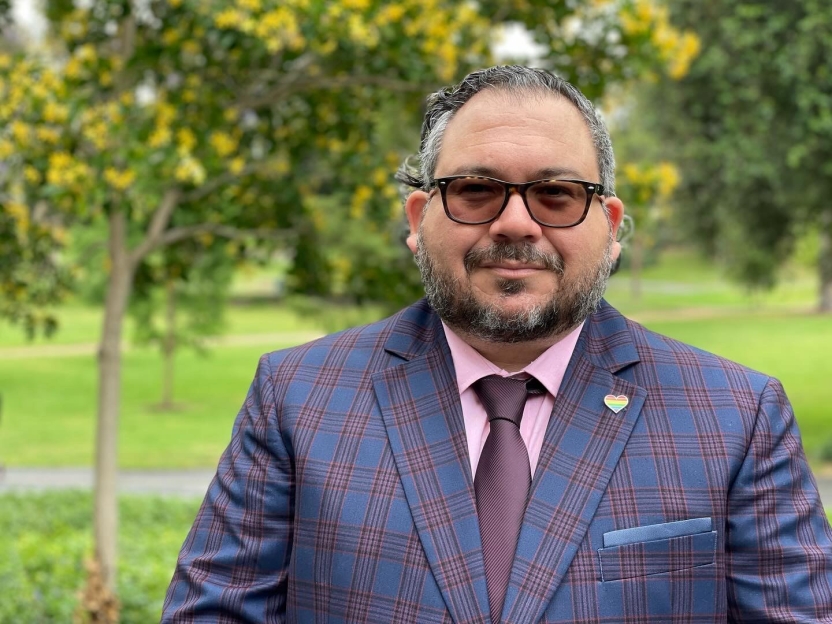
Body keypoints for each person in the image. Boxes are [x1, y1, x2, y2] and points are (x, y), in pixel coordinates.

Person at [161, 65, 832, 623]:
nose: (516, 223)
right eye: (477, 190)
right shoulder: (298, 399)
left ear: (611, 224)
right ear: (420, 220)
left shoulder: (737, 417)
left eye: (558, 194)